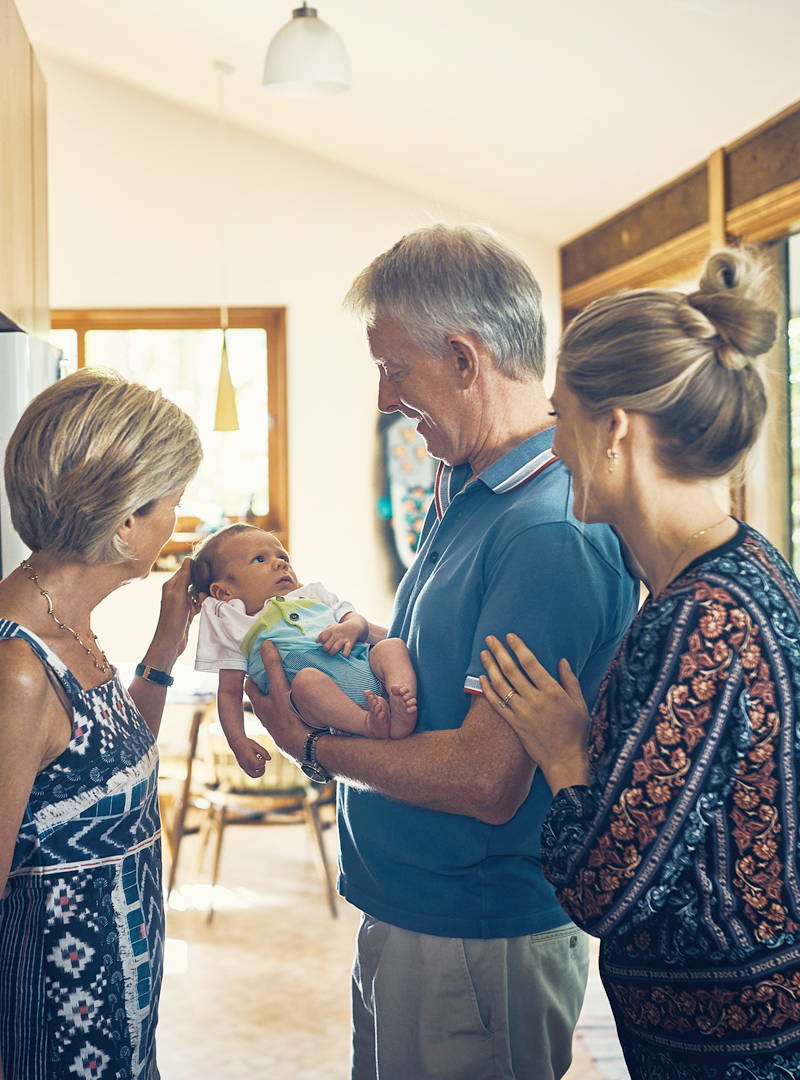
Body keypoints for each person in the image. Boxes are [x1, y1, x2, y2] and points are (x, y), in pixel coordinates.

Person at [246, 224, 638, 1080]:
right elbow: (455, 682)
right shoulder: (471, 485)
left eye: (394, 369)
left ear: (466, 359)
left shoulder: (546, 533)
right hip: (423, 915)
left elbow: (486, 780)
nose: (387, 400)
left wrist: (310, 746)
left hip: (474, 933)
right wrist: (378, 641)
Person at [479, 248, 798, 1080]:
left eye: (560, 415)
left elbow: (604, 888)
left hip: (731, 1045)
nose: (552, 441)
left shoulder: (701, 620)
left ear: (614, 427)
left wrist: (561, 748)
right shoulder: (739, 571)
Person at [0, 368, 203, 1080]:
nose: (177, 522)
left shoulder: (71, 629)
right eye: (172, 504)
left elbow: (112, 770)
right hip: (57, 1039)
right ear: (124, 522)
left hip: (119, 1022)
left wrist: (166, 646)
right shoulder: (19, 669)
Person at [191, 524, 417, 776]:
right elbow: (229, 691)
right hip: (322, 701)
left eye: (282, 557)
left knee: (391, 647)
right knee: (307, 681)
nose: (280, 563)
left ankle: (400, 699)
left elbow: (356, 619)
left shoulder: (312, 593)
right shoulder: (234, 624)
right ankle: (367, 724)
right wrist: (237, 740)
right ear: (224, 592)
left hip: (366, 668)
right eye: (259, 559)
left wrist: (351, 628)